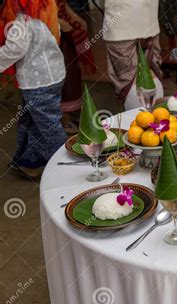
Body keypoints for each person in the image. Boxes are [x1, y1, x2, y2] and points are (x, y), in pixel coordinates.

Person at [0, 0, 66, 180]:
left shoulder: (20, 22)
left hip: (37, 82)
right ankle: (28, 162)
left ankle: (67, 167)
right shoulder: (44, 16)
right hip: (53, 75)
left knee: (48, 126)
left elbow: (15, 49)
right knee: (30, 120)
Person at [102, 0, 164, 107]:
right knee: (150, 71)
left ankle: (141, 120)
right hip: (148, 14)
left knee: (130, 78)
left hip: (120, 21)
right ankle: (156, 119)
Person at [57, 0, 97, 134]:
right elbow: (35, 16)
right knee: (62, 76)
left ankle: (74, 113)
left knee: (73, 73)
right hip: (51, 36)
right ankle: (64, 118)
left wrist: (75, 17)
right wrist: (60, 23)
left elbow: (63, 5)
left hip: (63, 33)